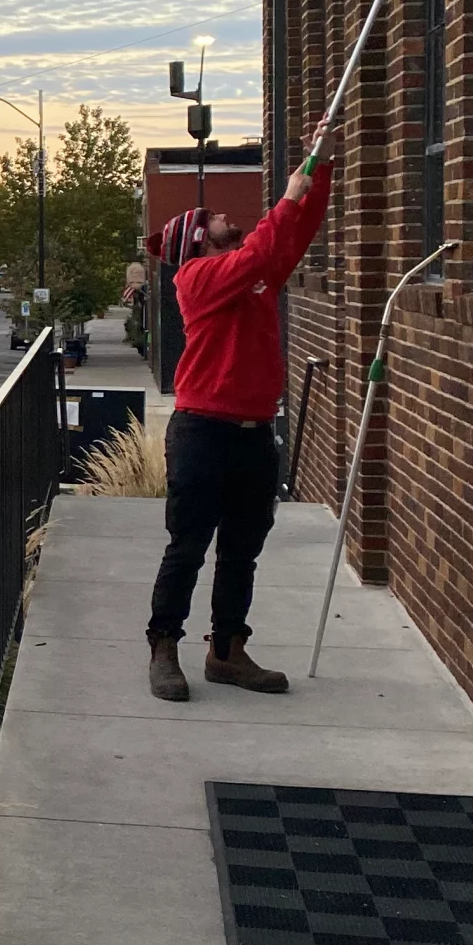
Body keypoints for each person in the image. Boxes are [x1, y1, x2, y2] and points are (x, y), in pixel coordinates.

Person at [145, 158, 333, 701]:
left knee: (241, 551)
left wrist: (316, 174)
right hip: (203, 432)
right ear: (199, 240)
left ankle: (227, 651)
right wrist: (289, 195)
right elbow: (264, 247)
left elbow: (291, 236)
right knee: (188, 547)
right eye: (215, 217)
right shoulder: (197, 278)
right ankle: (164, 647)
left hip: (253, 433)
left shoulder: (252, 276)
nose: (228, 217)